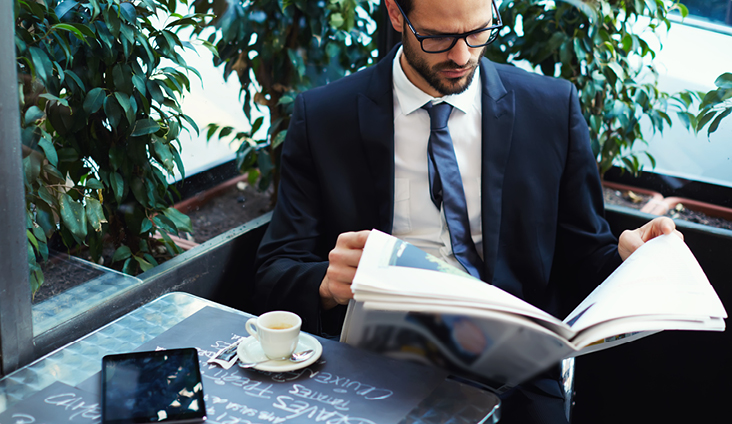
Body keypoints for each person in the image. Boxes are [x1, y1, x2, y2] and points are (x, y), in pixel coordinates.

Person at [252, 0, 680, 422]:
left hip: (517, 369)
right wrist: (328, 284)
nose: (462, 56)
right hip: (376, 364)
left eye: (478, 32)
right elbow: (274, 269)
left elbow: (586, 255)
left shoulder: (550, 108)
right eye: (437, 37)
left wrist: (628, 259)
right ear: (397, 14)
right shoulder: (326, 116)